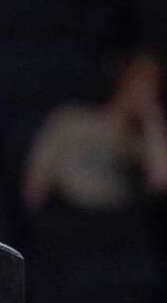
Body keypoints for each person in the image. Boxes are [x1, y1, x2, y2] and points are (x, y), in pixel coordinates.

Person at [23, 49, 167, 212]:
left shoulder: (141, 142)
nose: (143, 88)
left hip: (115, 224)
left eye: (152, 82)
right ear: (123, 76)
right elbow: (34, 185)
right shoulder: (71, 119)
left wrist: (152, 116)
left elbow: (161, 182)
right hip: (65, 217)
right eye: (139, 77)